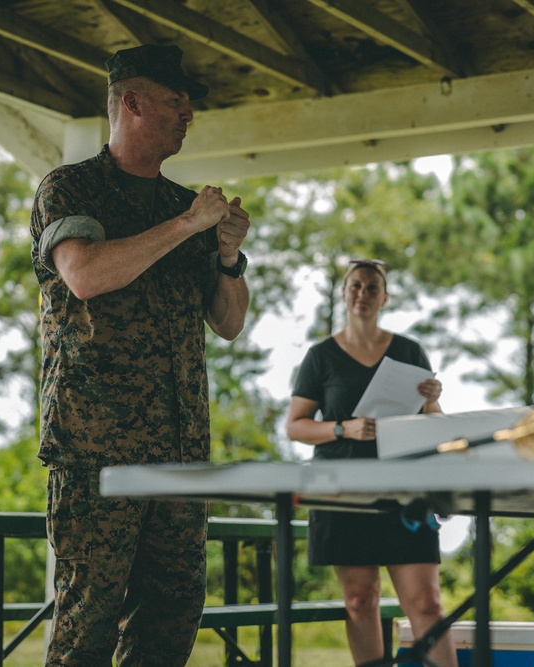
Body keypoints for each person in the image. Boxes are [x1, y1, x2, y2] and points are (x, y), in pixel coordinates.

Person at [29, 44, 250, 665]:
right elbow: (85, 276)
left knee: (173, 616)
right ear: (132, 101)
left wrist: (228, 256)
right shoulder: (72, 189)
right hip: (98, 449)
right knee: (87, 623)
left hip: (180, 451)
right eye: (176, 100)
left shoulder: (186, 204)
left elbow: (229, 322)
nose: (188, 114)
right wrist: (187, 226)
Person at [286, 259, 458, 667]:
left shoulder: (409, 351)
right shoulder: (320, 357)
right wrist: (344, 429)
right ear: (344, 293)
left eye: (372, 287)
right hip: (343, 492)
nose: (363, 293)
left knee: (427, 602)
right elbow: (295, 427)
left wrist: (432, 401)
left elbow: (436, 427)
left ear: (385, 297)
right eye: (356, 286)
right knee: (360, 600)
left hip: (405, 493)